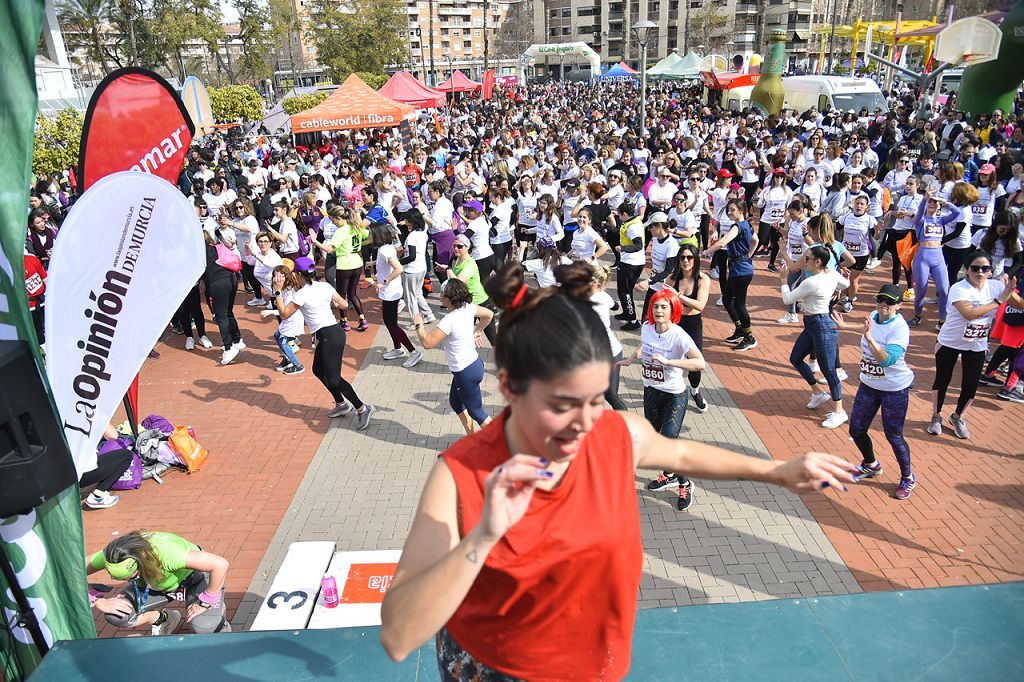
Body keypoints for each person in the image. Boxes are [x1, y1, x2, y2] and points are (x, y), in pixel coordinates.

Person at [379, 260, 858, 678]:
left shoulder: (611, 433)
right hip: (501, 670)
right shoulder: (461, 474)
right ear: (509, 385)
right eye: (563, 404)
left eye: (593, 398)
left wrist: (777, 471)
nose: (584, 423)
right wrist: (482, 538)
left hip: (593, 665)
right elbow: (399, 634)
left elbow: (684, 455)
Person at [622, 289, 707, 511]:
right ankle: (668, 474)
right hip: (651, 392)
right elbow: (645, 344)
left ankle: (684, 482)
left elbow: (699, 363)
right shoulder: (647, 327)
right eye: (656, 306)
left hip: (674, 394)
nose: (658, 311)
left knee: (668, 440)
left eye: (664, 307)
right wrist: (633, 357)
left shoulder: (679, 335)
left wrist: (670, 363)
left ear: (673, 310)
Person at [832, 285, 917, 499]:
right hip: (869, 385)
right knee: (856, 429)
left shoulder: (899, 328)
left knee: (894, 436)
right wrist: (846, 326)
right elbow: (867, 329)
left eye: (889, 302)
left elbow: (887, 359)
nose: (883, 304)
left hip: (894, 389)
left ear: (899, 305)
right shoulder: (873, 315)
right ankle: (871, 464)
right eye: (880, 299)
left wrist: (870, 340)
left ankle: (907, 478)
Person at [271, 257, 375, 428]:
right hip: (333, 333)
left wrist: (277, 292)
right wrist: (326, 301)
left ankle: (363, 408)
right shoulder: (325, 286)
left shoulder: (302, 294)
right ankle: (341, 404)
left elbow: (284, 314)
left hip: (329, 336)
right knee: (318, 370)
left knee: (334, 378)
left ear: (297, 274)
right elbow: (343, 304)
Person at [929, 251, 1016, 439]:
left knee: (970, 386)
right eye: (975, 268)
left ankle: (958, 417)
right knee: (942, 379)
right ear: (967, 270)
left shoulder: (995, 286)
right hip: (949, 342)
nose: (980, 272)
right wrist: (999, 300)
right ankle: (936, 416)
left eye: (985, 268)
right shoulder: (959, 288)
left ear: (991, 272)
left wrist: (1010, 290)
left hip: (976, 345)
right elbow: (969, 314)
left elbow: (1019, 304)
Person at [86, 530, 230, 636]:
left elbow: (220, 564)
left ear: (142, 557)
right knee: (118, 615)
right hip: (157, 586)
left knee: (204, 626)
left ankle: (218, 619)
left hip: (194, 580)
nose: (128, 580)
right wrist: (97, 601)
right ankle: (164, 620)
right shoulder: (112, 554)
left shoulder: (168, 553)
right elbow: (68, 576)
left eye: (134, 575)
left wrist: (206, 602)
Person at [778, 248, 851, 429]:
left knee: (829, 370)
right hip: (812, 324)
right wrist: (835, 290)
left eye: (807, 258)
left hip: (821, 325)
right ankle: (818, 392)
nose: (804, 260)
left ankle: (839, 411)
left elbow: (787, 299)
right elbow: (845, 284)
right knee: (795, 358)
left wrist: (782, 278)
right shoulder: (831, 274)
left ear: (818, 261)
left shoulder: (811, 282)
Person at [411, 279, 494, 435]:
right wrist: (478, 331)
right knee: (456, 403)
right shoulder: (468, 308)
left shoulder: (448, 321)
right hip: (473, 365)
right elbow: (488, 315)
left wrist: (419, 325)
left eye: (442, 294)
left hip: (465, 372)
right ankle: (473, 438)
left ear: (449, 299)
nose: (440, 296)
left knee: (477, 412)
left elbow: (427, 343)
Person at [705, 198, 758, 351]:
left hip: (741, 271)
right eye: (729, 209)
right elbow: (756, 240)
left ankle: (750, 337)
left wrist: (707, 252)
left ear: (741, 210)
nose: (729, 212)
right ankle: (740, 329)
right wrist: (748, 255)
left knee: (739, 304)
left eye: (733, 209)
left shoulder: (738, 226)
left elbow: (722, 243)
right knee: (727, 300)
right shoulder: (748, 225)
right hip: (739, 267)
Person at [309, 206, 370, 332]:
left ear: (339, 218)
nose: (333, 223)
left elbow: (330, 249)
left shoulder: (341, 231)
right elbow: (367, 235)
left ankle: (344, 321)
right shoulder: (356, 226)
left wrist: (315, 242)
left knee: (341, 294)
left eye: (333, 220)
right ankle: (362, 319)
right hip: (357, 262)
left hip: (344, 264)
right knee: (352, 293)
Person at [666, 243, 712, 412]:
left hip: (693, 325)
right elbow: (666, 303)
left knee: (695, 362)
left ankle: (695, 391)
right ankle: (671, 391)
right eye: (682, 258)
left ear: (695, 259)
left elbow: (700, 306)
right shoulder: (672, 278)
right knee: (670, 360)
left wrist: (678, 296)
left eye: (689, 257)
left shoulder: (702, 279)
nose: (686, 261)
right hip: (675, 323)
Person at [369, 222, 422, 368]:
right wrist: (373, 263)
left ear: (377, 235)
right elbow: (389, 262)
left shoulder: (385, 250)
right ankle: (398, 349)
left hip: (391, 292)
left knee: (391, 323)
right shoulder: (386, 248)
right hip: (392, 291)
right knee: (390, 322)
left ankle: (413, 351)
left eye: (371, 234)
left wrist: (384, 282)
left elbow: (399, 268)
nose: (369, 236)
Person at [908, 193, 960, 329]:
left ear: (939, 206)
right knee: (921, 289)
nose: (932, 203)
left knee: (944, 290)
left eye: (935, 202)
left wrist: (944, 201)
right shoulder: (920, 220)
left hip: (938, 257)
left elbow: (957, 212)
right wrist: (924, 199)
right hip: (922, 257)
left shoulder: (941, 220)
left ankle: (942, 320)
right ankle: (917, 316)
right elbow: (918, 213)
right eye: (930, 202)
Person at [437, 234, 498, 346]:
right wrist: (447, 268)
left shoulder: (469, 264)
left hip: (481, 302)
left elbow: (459, 284)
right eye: (454, 246)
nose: (456, 248)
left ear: (467, 247)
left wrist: (449, 271)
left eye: (460, 246)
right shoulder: (458, 260)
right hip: (468, 303)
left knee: (493, 338)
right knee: (465, 336)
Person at [589, 263, 628, 411]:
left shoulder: (592, 301)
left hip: (611, 354)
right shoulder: (603, 296)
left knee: (611, 395)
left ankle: (628, 426)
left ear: (595, 282)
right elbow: (615, 306)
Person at [204, 230, 245, 365]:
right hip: (231, 279)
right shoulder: (217, 246)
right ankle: (237, 340)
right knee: (228, 312)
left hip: (218, 284)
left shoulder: (200, 252)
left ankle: (228, 348)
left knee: (221, 316)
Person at [260, 264, 307, 374]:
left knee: (283, 340)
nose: (278, 279)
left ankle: (297, 365)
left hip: (293, 320)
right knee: (278, 336)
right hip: (288, 320)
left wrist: (270, 312)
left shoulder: (289, 291)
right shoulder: (282, 289)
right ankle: (287, 359)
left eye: (281, 276)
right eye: (276, 276)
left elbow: (285, 312)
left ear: (287, 277)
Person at [613, 201, 646, 330]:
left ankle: (633, 320)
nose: (619, 217)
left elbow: (638, 245)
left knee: (625, 292)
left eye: (620, 215)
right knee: (623, 291)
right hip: (629, 261)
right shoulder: (631, 221)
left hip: (631, 263)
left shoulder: (633, 226)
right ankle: (627, 313)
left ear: (625, 214)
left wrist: (623, 248)